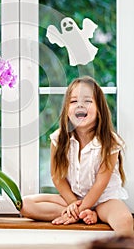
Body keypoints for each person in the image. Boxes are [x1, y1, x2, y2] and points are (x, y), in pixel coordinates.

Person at [20, 76, 133, 235]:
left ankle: (85, 213)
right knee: (25, 204)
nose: (80, 104)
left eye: (88, 101)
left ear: (99, 109)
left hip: (104, 200)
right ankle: (83, 215)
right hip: (73, 198)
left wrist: (81, 206)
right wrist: (73, 203)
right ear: (67, 110)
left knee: (125, 221)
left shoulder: (110, 142)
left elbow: (101, 183)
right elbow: (57, 176)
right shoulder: (58, 139)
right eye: (73, 102)